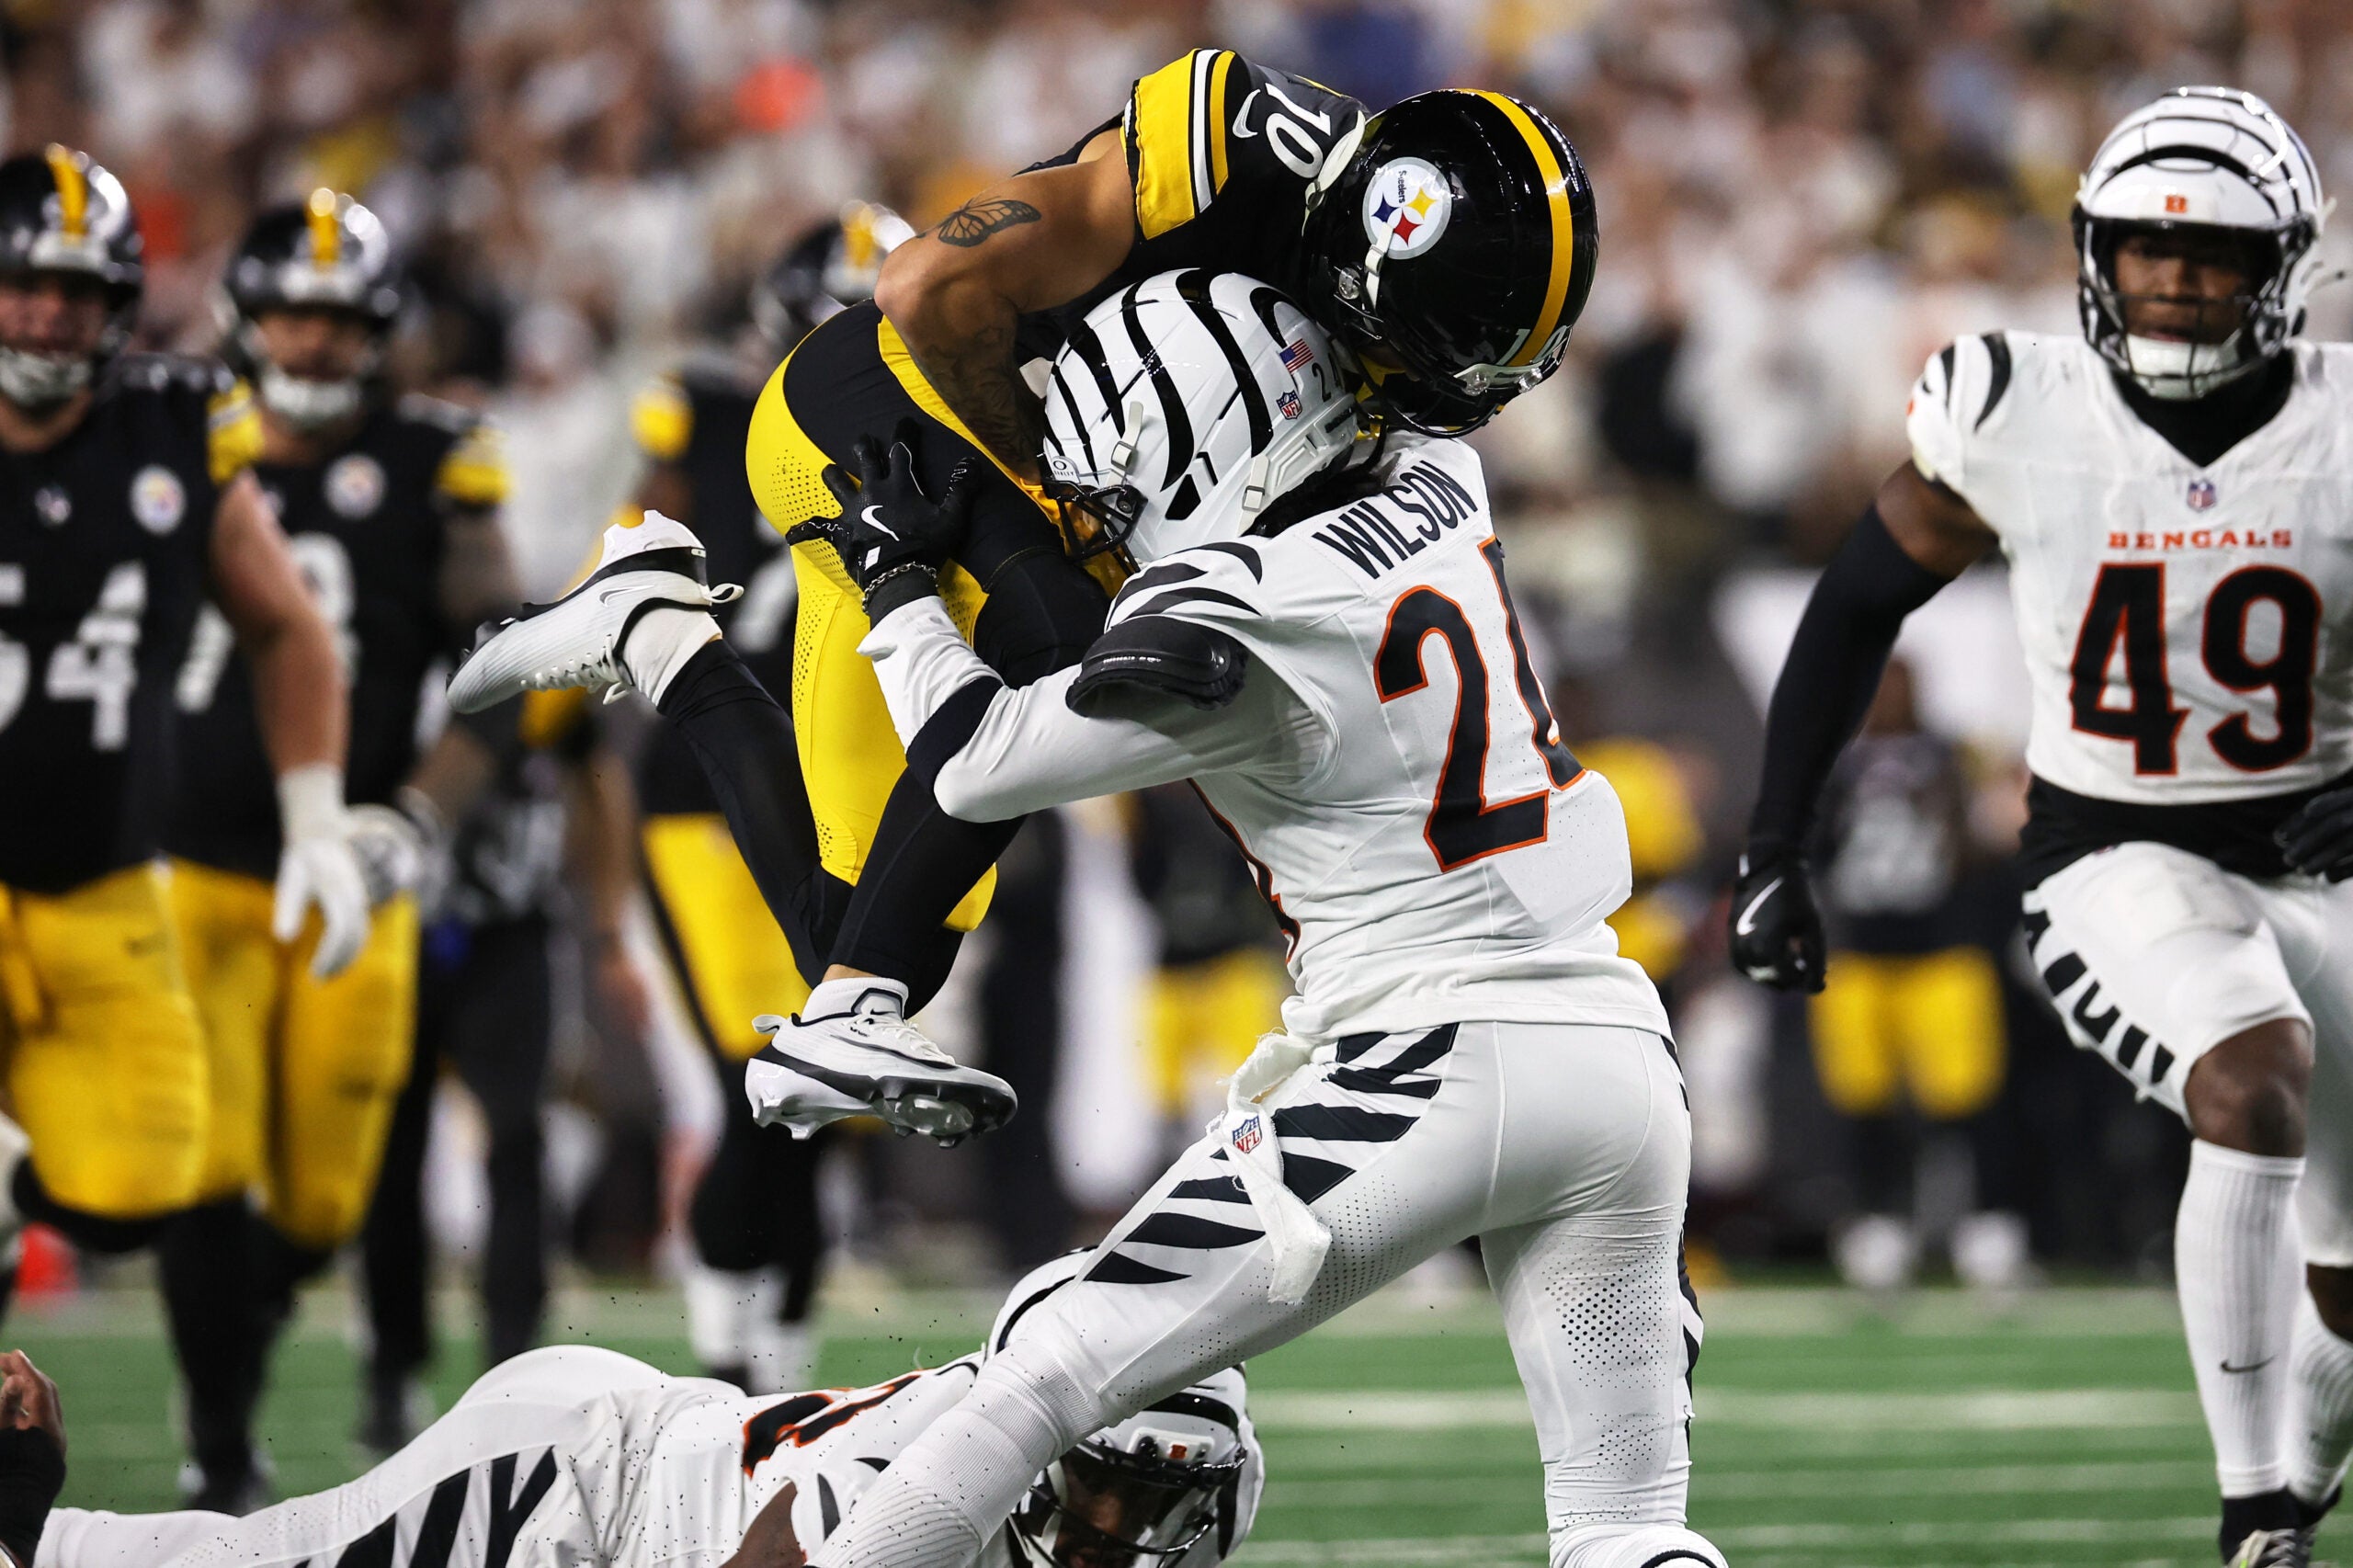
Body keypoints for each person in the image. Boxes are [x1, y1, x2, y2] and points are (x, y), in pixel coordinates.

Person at [460, 270, 1721, 1568]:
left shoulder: (1235, 603)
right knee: (1626, 1525)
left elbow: (975, 761)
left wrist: (898, 581)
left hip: (1425, 1058)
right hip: (1616, 1053)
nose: (1106, 516)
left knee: (1041, 1373)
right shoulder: (1440, 477)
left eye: (1124, 485)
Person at [450, 57, 1600, 1144]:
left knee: (861, 918)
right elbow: (926, 284)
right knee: (1061, 654)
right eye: (1438, 351)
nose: (1443, 391)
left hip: (1040, 471)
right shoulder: (1223, 155)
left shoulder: (1360, 272)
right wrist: (1052, 498)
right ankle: (848, 1011)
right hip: (884, 400)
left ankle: (659, 637)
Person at [1725, 88, 2353, 1568]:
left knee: (2348, 1277)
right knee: (2249, 1076)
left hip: (2325, 863)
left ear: (2283, 267)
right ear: (2093, 253)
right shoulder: (2021, 407)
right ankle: (2256, 1506)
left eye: (2212, 254)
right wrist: (1775, 846)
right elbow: (1854, 608)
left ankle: (2302, 1480)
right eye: (2145, 248)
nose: (2174, 278)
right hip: (2118, 854)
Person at [155, 188, 518, 1512]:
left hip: (352, 866)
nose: (313, 343)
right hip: (187, 860)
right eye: (292, 317)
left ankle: (236, 1340)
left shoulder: (435, 456)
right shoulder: (160, 435)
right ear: (243, 319)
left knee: (320, 1201)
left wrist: (415, 818)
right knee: (201, 1164)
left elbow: (503, 675)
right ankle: (220, 1450)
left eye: (340, 321)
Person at [0, 150, 362, 1307]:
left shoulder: (172, 423)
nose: (51, 314)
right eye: (25, 285)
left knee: (140, 1184)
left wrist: (315, 818)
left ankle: (10, 1198)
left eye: (79, 290)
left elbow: (287, 628)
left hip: (101, 876)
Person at [13, 1255, 1262, 1568]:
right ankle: (28, 1524)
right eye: (1103, 1484)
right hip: (579, 1489)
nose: (1117, 1532)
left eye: (1156, 1501)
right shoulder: (915, 1472)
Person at [630, 206, 910, 1392]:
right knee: (765, 1079)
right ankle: (720, 1352)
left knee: (827, 1091)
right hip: (708, 796)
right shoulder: (702, 413)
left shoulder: (940, 432)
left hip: (851, 792)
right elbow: (629, 564)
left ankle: (781, 1371)